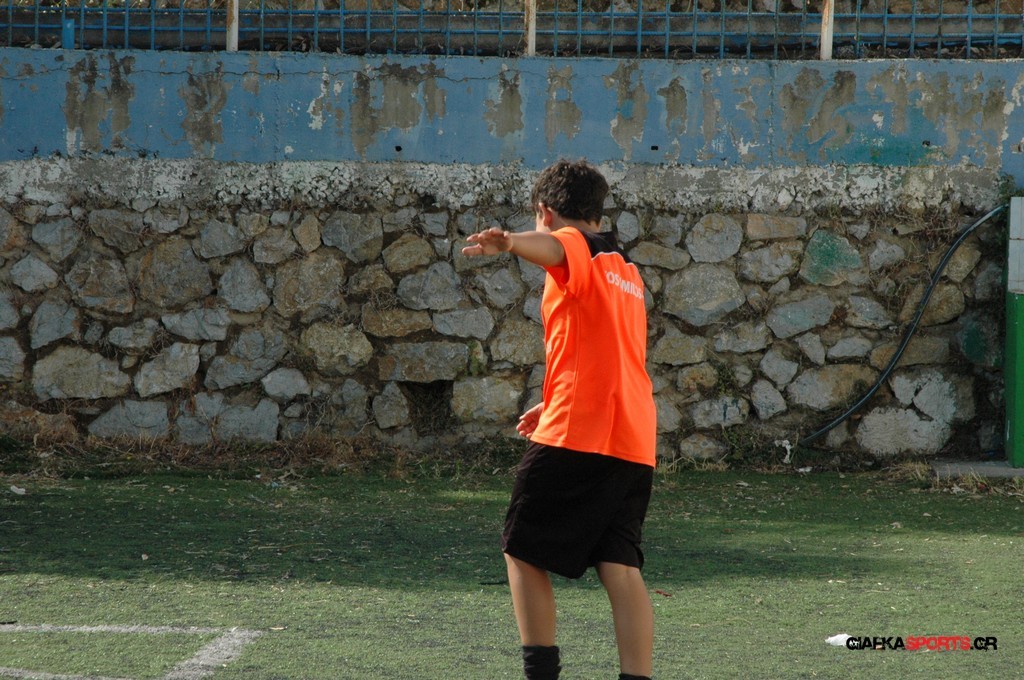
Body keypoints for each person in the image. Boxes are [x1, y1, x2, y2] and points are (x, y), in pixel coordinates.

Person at [462, 159, 657, 680]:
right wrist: (551, 399)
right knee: (620, 568)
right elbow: (608, 348)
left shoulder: (573, 244)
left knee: (521, 549)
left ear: (545, 212)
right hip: (633, 437)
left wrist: (510, 243)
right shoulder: (626, 268)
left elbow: (556, 247)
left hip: (579, 433)